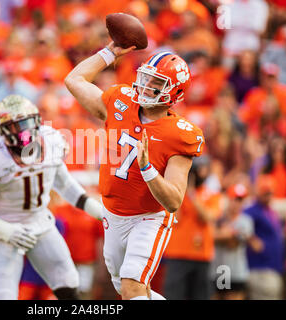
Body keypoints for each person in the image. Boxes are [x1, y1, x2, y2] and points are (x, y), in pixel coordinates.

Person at [64, 43, 204, 300]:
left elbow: (173, 201)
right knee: (133, 291)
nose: (145, 85)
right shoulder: (121, 102)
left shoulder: (180, 134)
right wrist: (109, 53)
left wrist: (147, 169)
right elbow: (74, 79)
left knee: (132, 287)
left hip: (148, 217)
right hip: (113, 214)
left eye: (156, 82)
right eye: (146, 77)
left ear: (174, 92)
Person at [0, 94, 103, 300]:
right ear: (3, 130)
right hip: (4, 229)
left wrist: (99, 211)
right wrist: (4, 228)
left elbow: (66, 185)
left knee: (68, 282)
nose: (23, 131)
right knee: (2, 296)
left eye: (26, 122)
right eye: (15, 126)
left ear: (37, 120)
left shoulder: (53, 141)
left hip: (39, 222)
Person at [163, 156, 222, 300]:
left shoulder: (211, 194)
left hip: (202, 255)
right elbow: (176, 215)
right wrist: (183, 189)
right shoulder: (177, 193)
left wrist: (192, 195)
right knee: (174, 295)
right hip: (178, 253)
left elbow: (208, 216)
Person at [244, 175, 285, 300]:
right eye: (266, 193)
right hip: (260, 269)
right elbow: (239, 224)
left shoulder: (270, 211)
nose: (268, 196)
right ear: (259, 193)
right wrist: (251, 239)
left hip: (273, 268)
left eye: (270, 193)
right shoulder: (253, 210)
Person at [211, 183, 254, 300]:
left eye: (240, 200)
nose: (236, 203)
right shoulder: (218, 218)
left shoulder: (246, 221)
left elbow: (233, 243)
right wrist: (228, 234)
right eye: (234, 199)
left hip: (236, 272)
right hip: (218, 270)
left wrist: (223, 233)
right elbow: (212, 236)